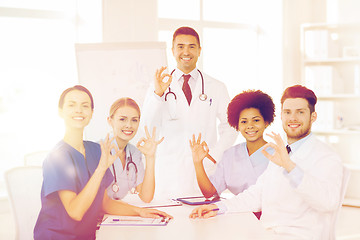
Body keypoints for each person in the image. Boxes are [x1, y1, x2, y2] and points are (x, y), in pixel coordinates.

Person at [190, 85, 344, 239]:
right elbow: (257, 194)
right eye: (287, 112)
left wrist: (290, 167)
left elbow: (328, 202)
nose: (293, 118)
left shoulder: (327, 157)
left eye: (300, 112)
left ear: (313, 117)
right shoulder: (281, 154)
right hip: (265, 233)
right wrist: (217, 207)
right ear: (281, 116)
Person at [34, 85, 171, 240]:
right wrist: (100, 169)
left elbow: (105, 203)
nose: (79, 110)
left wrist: (139, 212)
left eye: (85, 106)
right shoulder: (56, 157)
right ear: (60, 111)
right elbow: (75, 212)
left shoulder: (96, 150)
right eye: (72, 105)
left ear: (91, 113)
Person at [141, 26, 238, 197]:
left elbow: (230, 126)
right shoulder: (157, 86)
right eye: (180, 46)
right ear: (172, 50)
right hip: (168, 176)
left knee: (203, 220)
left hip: (202, 173)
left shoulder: (216, 87)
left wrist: (214, 156)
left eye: (192, 46)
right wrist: (158, 94)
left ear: (199, 50)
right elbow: (147, 126)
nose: (186, 51)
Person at [189, 90, 275, 219]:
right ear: (237, 125)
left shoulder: (278, 155)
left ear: (266, 122)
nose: (250, 126)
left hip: (270, 219)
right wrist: (197, 163)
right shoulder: (230, 155)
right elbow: (209, 193)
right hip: (237, 215)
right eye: (244, 122)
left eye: (256, 120)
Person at [106, 97, 163, 202]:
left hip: (121, 214)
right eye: (122, 119)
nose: (129, 125)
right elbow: (101, 202)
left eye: (134, 120)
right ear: (110, 121)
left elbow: (146, 197)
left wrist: (150, 157)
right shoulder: (98, 150)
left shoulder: (134, 153)